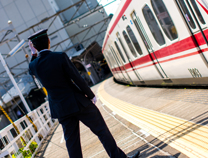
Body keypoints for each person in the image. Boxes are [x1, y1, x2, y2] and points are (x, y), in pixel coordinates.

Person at [28, 29, 140, 158]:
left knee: (72, 143)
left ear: (34, 47)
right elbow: (76, 77)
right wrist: (90, 95)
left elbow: (31, 67)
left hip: (61, 109)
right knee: (101, 130)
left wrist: (33, 53)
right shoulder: (60, 56)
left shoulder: (34, 65)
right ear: (48, 41)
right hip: (78, 102)